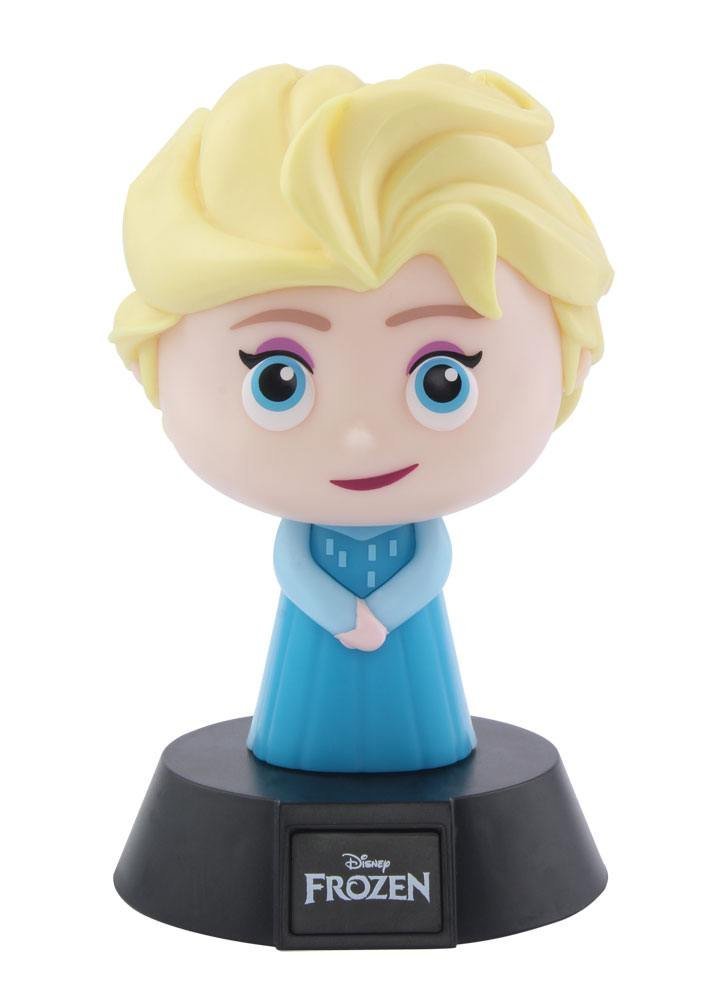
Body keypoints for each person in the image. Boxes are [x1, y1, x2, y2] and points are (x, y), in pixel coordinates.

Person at [111, 65, 612, 772]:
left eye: (443, 378)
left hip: (403, 631)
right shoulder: (310, 532)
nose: (360, 439)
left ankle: (425, 752)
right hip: (325, 631)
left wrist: (388, 612)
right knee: (303, 713)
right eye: (278, 380)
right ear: (148, 364)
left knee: (422, 712)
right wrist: (341, 615)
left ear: (574, 360)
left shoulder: (414, 531)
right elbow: (293, 565)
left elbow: (432, 563)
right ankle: (298, 753)